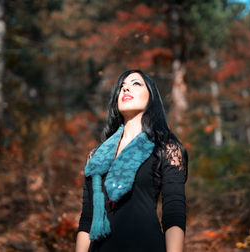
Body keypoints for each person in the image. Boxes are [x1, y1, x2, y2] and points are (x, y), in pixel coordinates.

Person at [75, 70, 188, 252]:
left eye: (136, 84)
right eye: (122, 87)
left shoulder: (166, 148)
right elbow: (87, 219)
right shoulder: (97, 156)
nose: (126, 88)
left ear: (152, 97)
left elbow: (174, 211)